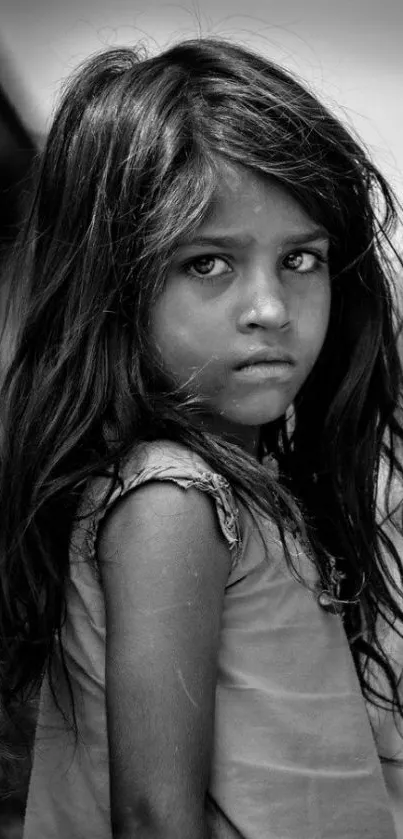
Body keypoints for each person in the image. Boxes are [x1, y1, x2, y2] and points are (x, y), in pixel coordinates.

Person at [0, 36, 403, 839]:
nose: (270, 308)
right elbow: (152, 816)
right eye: (207, 264)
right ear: (116, 283)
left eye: (300, 258)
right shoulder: (172, 497)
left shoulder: (249, 483)